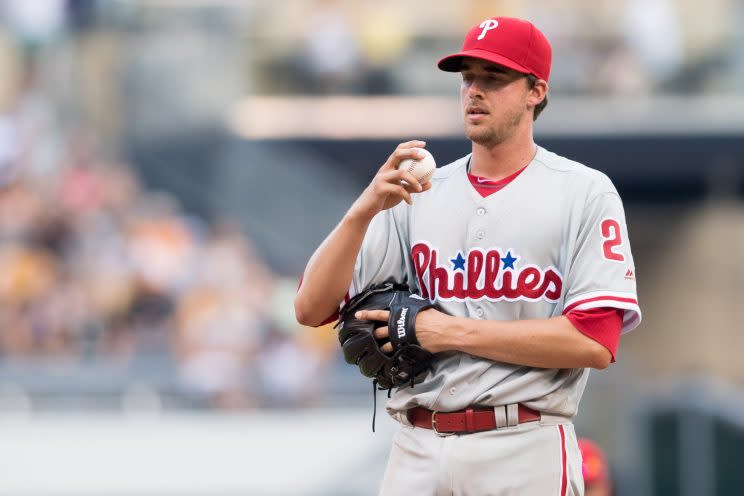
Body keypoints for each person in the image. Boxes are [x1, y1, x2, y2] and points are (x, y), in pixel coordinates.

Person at [295, 16, 641, 496]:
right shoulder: (417, 192)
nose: (474, 91)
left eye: (494, 78)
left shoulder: (583, 192)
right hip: (416, 443)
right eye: (467, 78)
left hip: (523, 444)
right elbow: (311, 308)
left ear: (535, 91)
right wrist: (364, 208)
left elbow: (595, 340)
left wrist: (446, 331)